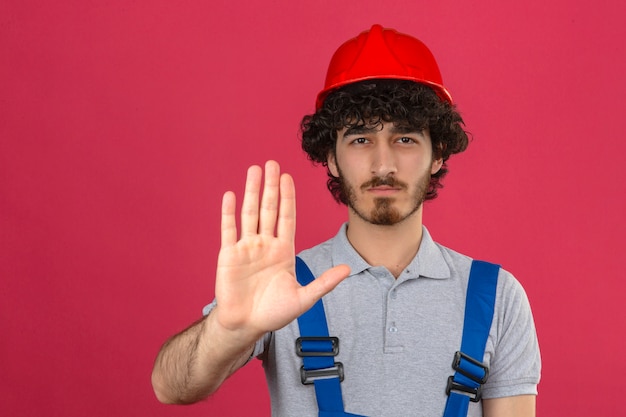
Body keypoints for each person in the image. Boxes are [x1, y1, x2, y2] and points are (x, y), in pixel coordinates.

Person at [151, 24, 541, 417]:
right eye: (360, 139)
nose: (383, 164)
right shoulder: (283, 283)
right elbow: (169, 387)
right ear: (332, 157)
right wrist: (228, 329)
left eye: (405, 138)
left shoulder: (498, 298)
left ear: (438, 153)